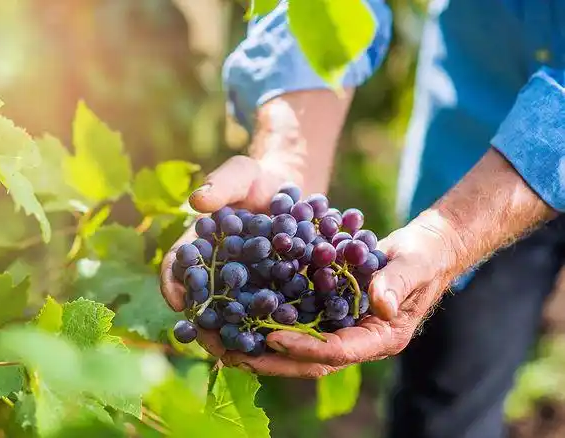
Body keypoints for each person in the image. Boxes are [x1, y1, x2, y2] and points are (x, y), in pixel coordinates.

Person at [160, 0, 565, 437]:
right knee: (446, 395)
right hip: (467, 155)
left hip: (463, 204)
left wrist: (451, 236)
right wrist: (291, 150)